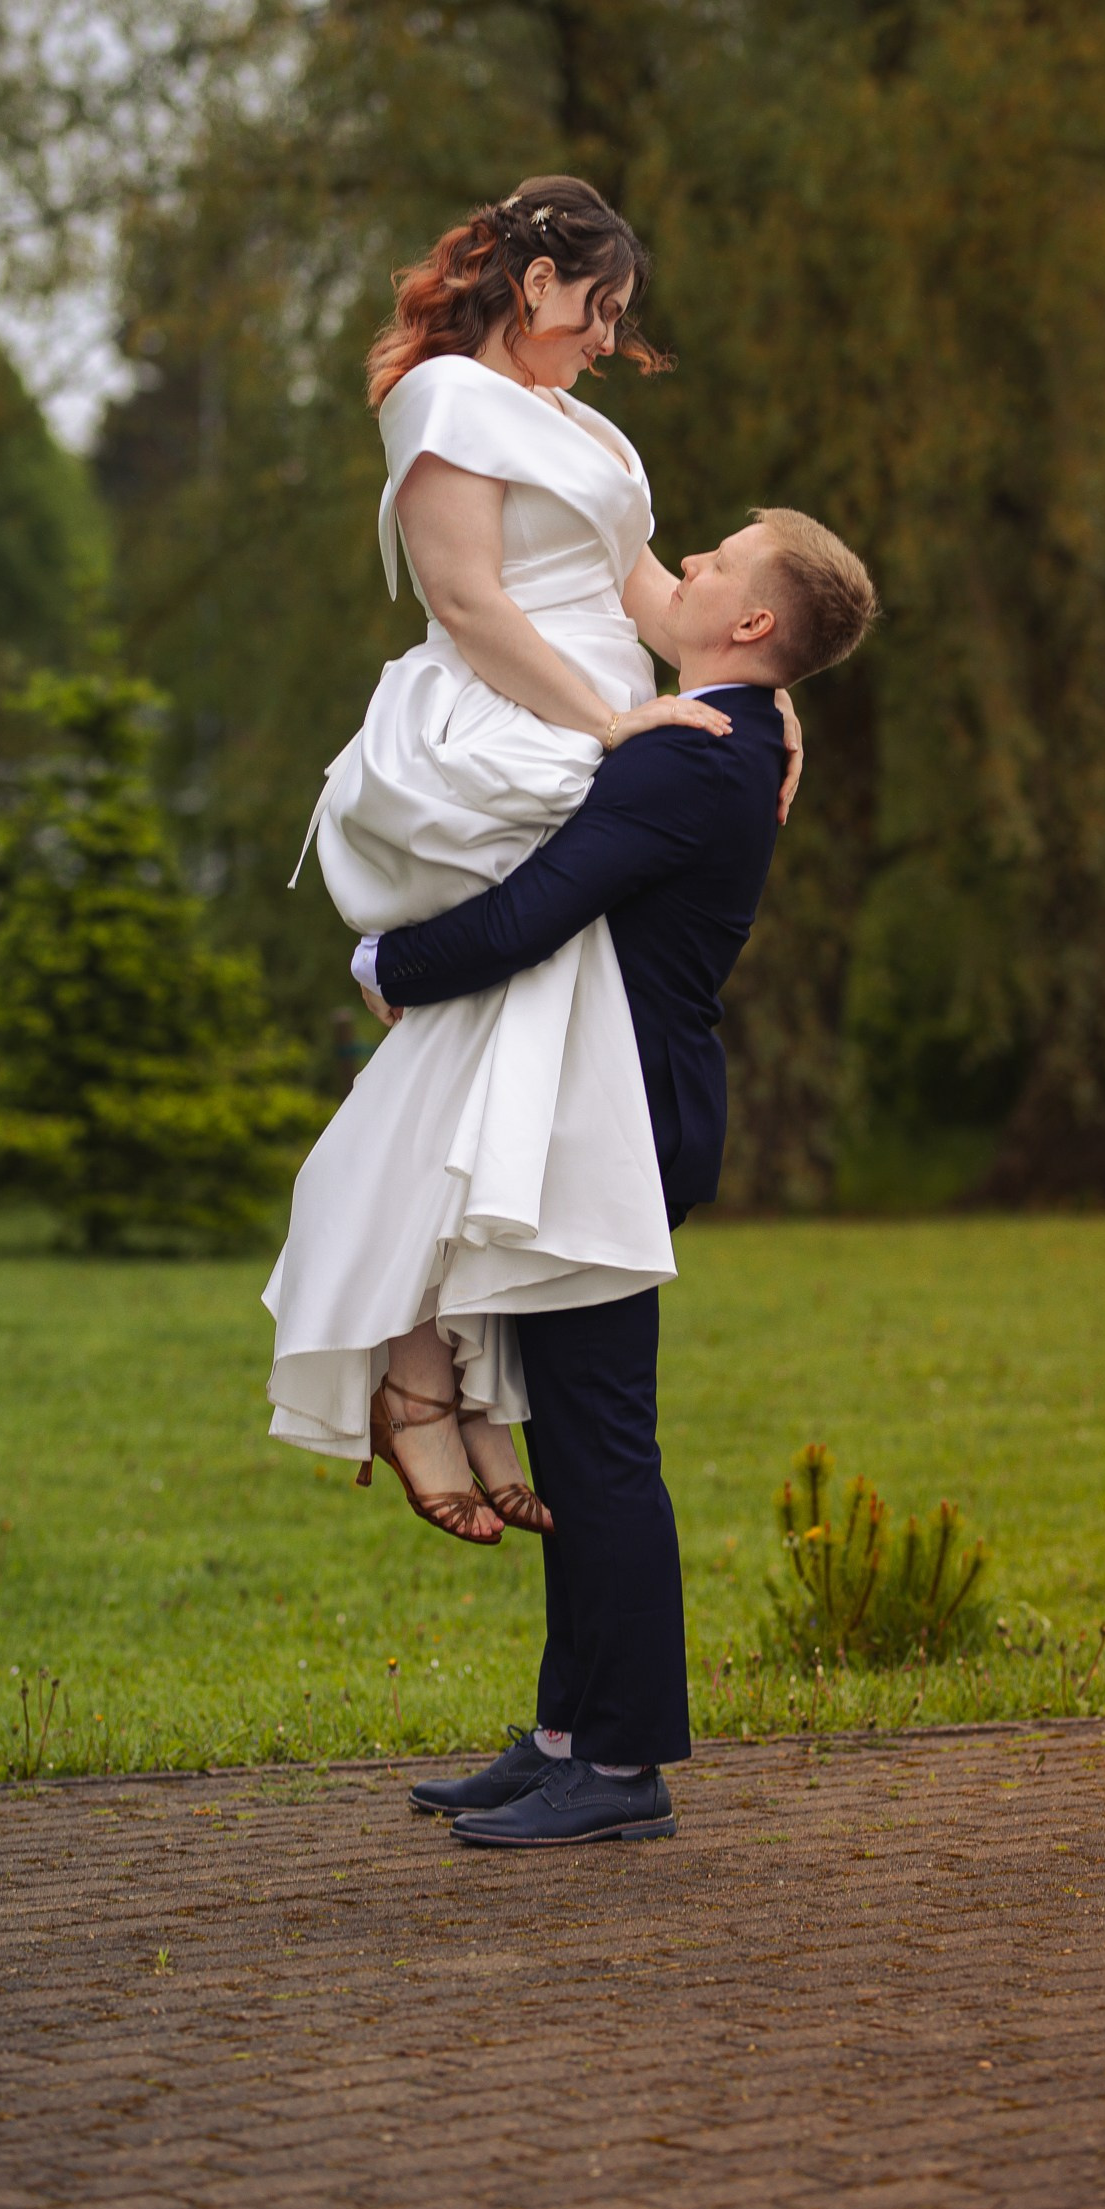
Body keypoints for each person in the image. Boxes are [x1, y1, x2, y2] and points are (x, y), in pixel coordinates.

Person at [263, 177, 802, 1540]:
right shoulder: (440, 398)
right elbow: (467, 598)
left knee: (527, 1040)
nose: (610, 341)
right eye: (601, 310)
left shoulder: (603, 442)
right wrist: (616, 723)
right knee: (527, 988)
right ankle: (430, 1363)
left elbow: (652, 591)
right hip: (496, 728)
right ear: (541, 277)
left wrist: (767, 698)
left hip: (603, 720)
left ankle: (433, 1352)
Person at [374, 502, 878, 1845]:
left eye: (713, 561)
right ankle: (564, 1739)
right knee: (574, 1434)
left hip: (621, 1124)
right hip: (606, 1119)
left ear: (754, 623)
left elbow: (540, 909)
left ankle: (624, 1766)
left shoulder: (697, 752)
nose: (686, 567)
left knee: (600, 1445)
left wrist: (389, 967)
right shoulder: (736, 737)